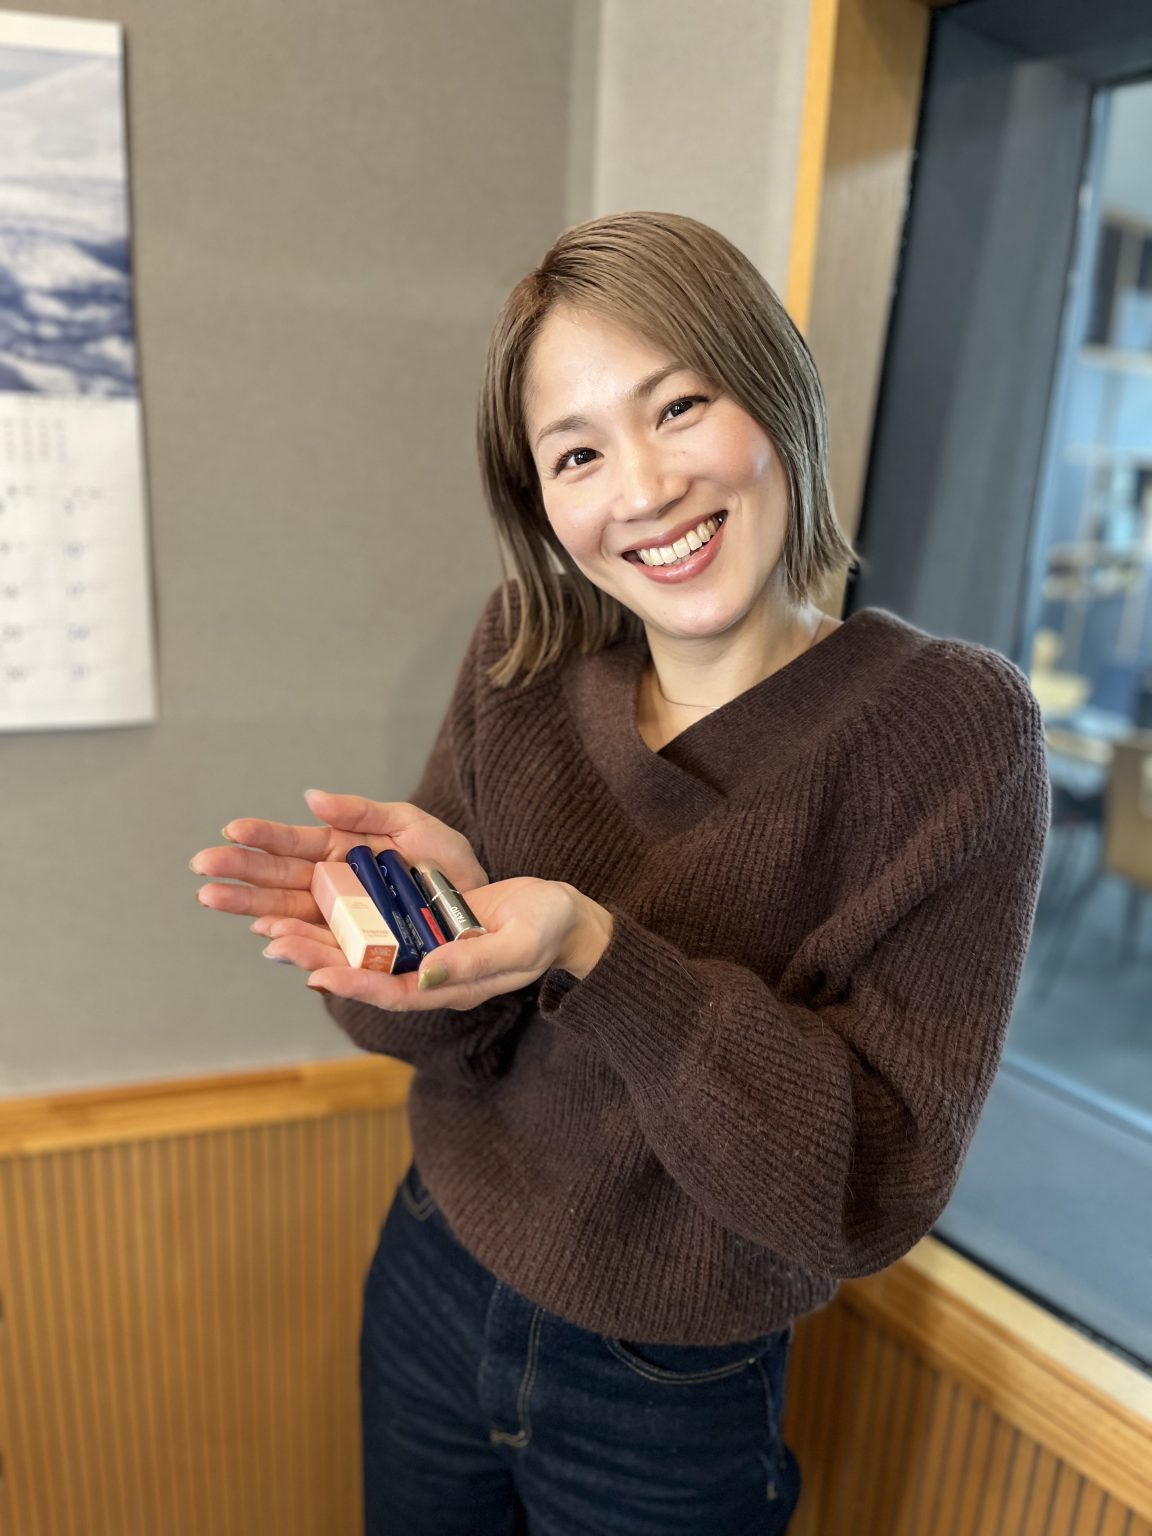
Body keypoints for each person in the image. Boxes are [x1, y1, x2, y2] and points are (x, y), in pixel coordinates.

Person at [192, 211, 1051, 1535]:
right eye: (578, 452)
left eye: (679, 406)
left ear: (775, 394)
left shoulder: (952, 732)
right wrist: (417, 939)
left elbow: (866, 1188)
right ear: (543, 503)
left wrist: (593, 950)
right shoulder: (525, 654)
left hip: (670, 1385)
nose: (642, 489)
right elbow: (419, 1038)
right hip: (434, 1269)